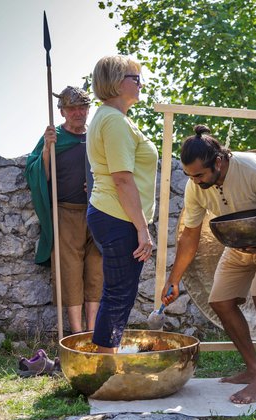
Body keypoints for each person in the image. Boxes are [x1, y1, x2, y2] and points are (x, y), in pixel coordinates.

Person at [163, 125, 256, 404]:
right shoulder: (196, 186)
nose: (196, 182)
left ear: (218, 160)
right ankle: (253, 368)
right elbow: (190, 234)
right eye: (190, 176)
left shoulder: (255, 169)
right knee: (221, 301)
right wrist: (173, 278)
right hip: (240, 241)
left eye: (200, 175)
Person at [86, 55, 159, 354]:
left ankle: (106, 359)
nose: (140, 83)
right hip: (119, 216)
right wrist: (143, 229)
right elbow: (122, 180)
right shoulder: (114, 122)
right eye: (134, 77)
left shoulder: (113, 118)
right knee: (119, 294)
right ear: (116, 82)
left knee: (120, 293)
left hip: (114, 215)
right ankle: (104, 366)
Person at [24, 86, 103, 334]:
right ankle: (77, 333)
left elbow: (113, 170)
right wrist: (47, 149)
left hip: (98, 210)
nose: (78, 113)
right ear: (62, 112)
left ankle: (93, 332)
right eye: (72, 108)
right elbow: (38, 174)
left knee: (96, 268)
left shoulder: (96, 137)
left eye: (83, 107)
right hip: (65, 213)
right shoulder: (54, 137)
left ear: (89, 109)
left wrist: (95, 183)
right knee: (69, 270)